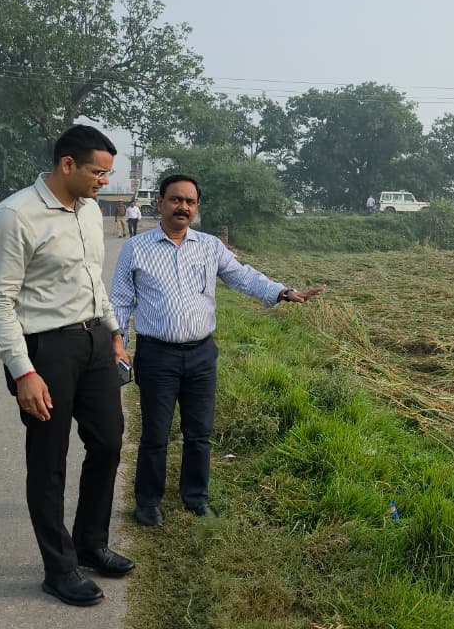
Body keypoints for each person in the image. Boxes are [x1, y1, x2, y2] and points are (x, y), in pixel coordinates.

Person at [110, 174, 324, 527]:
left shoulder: (210, 246)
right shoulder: (136, 249)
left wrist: (282, 291)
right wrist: (119, 344)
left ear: (196, 208)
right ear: (160, 202)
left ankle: (195, 498)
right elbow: (120, 299)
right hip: (157, 355)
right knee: (155, 435)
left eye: (190, 202)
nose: (183, 207)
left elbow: (242, 276)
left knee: (199, 433)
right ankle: (148, 502)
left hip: (201, 355)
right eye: (176, 200)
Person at [0, 125, 134, 607]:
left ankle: (90, 543)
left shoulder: (89, 212)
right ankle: (59, 567)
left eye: (108, 174)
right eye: (98, 172)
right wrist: (23, 371)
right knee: (48, 462)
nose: (103, 183)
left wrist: (113, 334)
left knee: (108, 443)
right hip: (44, 350)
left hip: (93, 343)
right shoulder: (15, 215)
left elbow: (94, 279)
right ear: (67, 164)